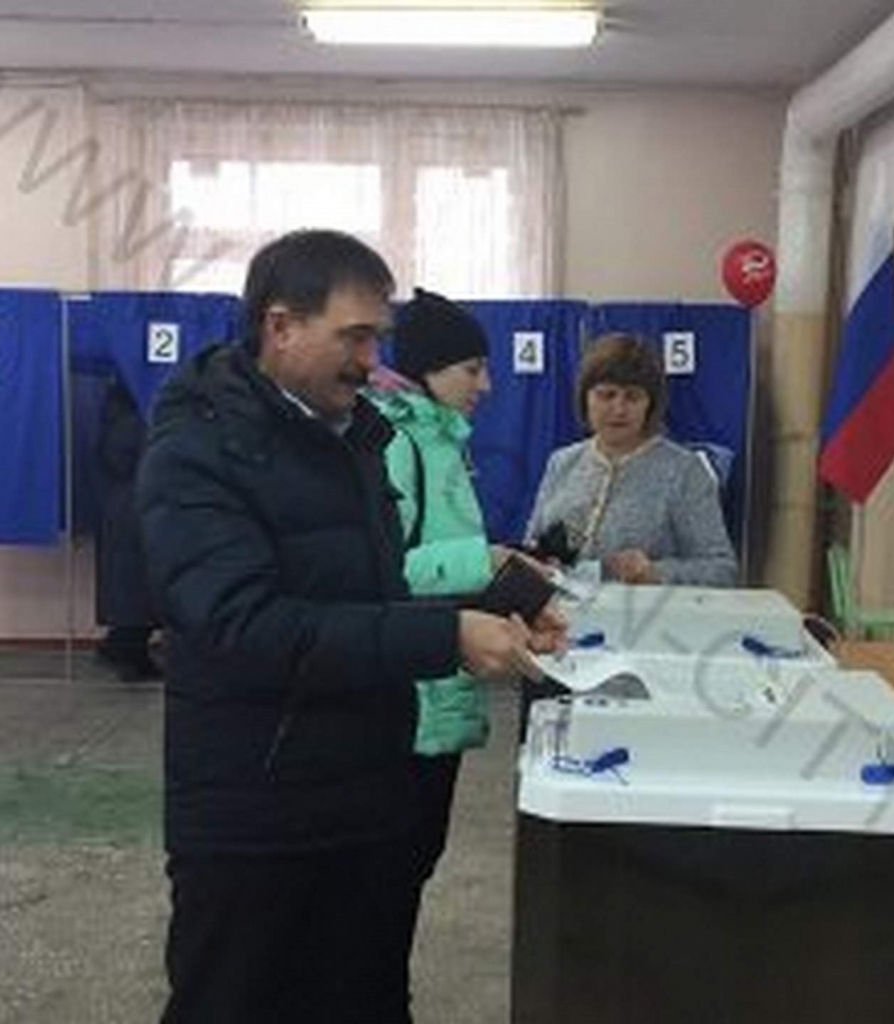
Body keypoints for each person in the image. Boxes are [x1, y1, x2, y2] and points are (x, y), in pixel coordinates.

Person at [136, 230, 563, 1024]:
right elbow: (245, 627)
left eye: (378, 338)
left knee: (365, 998)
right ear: (280, 325)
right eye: (353, 337)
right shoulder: (197, 452)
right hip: (255, 813)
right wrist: (447, 639)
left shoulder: (355, 437)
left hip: (363, 795)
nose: (372, 361)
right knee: (233, 1001)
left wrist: (491, 611)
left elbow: (369, 595)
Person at [367, 288, 521, 974]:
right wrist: (482, 561)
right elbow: (380, 571)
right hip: (407, 693)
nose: (485, 386)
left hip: (441, 676)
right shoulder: (396, 441)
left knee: (414, 861)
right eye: (472, 369)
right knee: (390, 871)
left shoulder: (441, 440)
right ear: (428, 370)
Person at [524, 332, 738, 587]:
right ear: (585, 398)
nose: (619, 409)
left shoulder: (684, 471)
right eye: (606, 395)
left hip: (645, 610)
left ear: (650, 404)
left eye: (633, 397)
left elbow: (722, 570)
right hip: (558, 608)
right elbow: (531, 549)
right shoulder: (561, 462)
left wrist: (655, 573)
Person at [92, 378, 160, 682]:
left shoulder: (124, 397)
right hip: (132, 501)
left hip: (132, 499)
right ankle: (127, 652)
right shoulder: (130, 407)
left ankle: (122, 646)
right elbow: (120, 451)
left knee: (132, 585)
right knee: (133, 583)